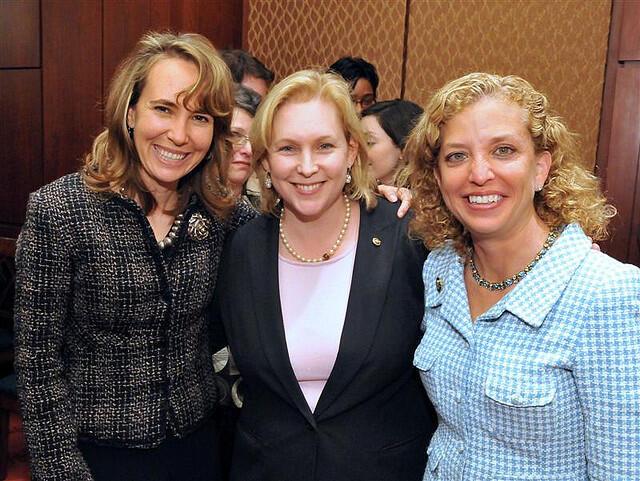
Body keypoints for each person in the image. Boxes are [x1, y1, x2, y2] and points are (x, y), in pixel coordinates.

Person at [13, 32, 256, 481]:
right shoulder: (60, 211)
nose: (179, 135)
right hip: (95, 456)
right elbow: (37, 360)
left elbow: (297, 235)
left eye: (199, 117)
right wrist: (61, 469)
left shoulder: (225, 214)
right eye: (163, 109)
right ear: (129, 111)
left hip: (198, 451)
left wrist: (368, 202)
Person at [406, 72, 640, 480]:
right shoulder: (440, 268)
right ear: (438, 177)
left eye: (504, 151)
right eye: (457, 156)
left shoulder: (605, 294)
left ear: (541, 168)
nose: (479, 173)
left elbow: (621, 468)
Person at [211, 70, 436, 481]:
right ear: (265, 160)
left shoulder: (408, 237)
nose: (307, 166)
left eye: (325, 146)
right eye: (288, 148)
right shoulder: (240, 248)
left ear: (351, 151)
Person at [361, 99, 423, 185]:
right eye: (357, 141)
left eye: (369, 142)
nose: (358, 151)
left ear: (405, 149)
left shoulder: (423, 197)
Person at [224, 83, 262, 208]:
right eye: (235, 135)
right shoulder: (182, 209)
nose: (249, 150)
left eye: (255, 139)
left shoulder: (265, 214)